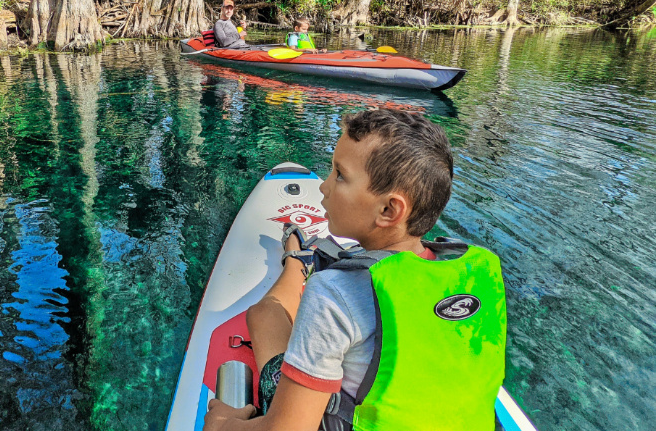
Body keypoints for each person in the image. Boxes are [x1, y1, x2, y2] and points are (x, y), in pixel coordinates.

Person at [205, 109, 507, 431]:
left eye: (339, 175)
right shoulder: (480, 269)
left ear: (389, 210)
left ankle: (298, 257)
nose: (323, 186)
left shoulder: (333, 292)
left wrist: (224, 425)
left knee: (265, 314)